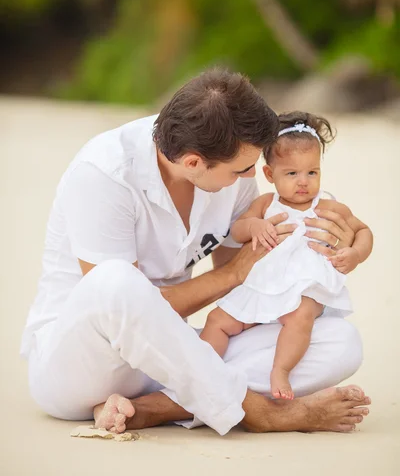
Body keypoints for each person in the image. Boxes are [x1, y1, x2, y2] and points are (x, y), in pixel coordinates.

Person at [21, 68, 370, 437]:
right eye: (242, 169)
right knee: (116, 280)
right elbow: (129, 313)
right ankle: (262, 413)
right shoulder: (105, 174)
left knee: (339, 341)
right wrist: (232, 273)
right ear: (192, 163)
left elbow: (245, 293)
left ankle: (154, 409)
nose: (252, 177)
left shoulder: (233, 172)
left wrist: (321, 255)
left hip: (172, 362)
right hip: (82, 366)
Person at [200, 112, 373, 401]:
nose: (303, 182)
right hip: (264, 282)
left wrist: (355, 253)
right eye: (291, 173)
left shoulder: (328, 206)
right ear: (270, 174)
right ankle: (201, 371)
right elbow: (238, 229)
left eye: (312, 172)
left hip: (305, 284)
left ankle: (281, 371)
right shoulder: (266, 203)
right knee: (218, 320)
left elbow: (363, 231)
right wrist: (255, 225)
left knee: (300, 317)